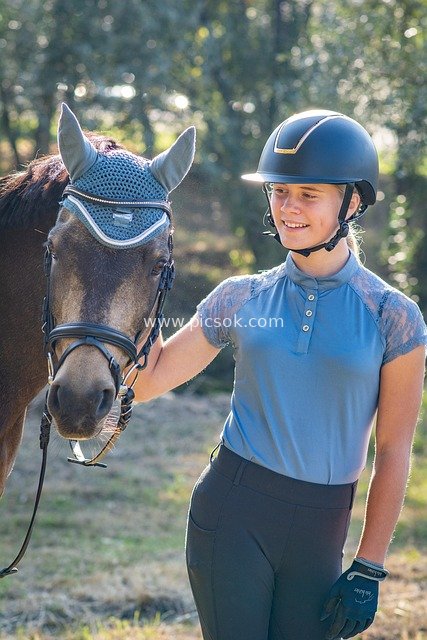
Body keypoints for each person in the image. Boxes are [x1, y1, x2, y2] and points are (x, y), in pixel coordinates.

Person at [133, 109, 426, 640]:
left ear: (352, 200)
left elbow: (396, 449)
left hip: (322, 527)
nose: (288, 208)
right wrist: (133, 285)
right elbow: (148, 381)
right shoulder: (240, 297)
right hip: (231, 513)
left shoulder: (394, 316)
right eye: (279, 192)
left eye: (308, 194)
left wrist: (370, 565)